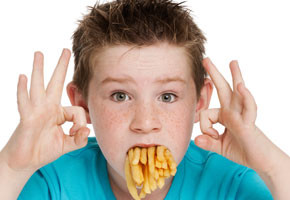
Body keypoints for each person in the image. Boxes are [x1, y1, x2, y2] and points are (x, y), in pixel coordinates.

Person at [0, 0, 289, 199]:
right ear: (83, 104)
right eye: (120, 95)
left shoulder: (231, 184)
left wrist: (274, 169)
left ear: (199, 103)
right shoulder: (52, 182)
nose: (145, 123)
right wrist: (12, 168)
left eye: (167, 96)